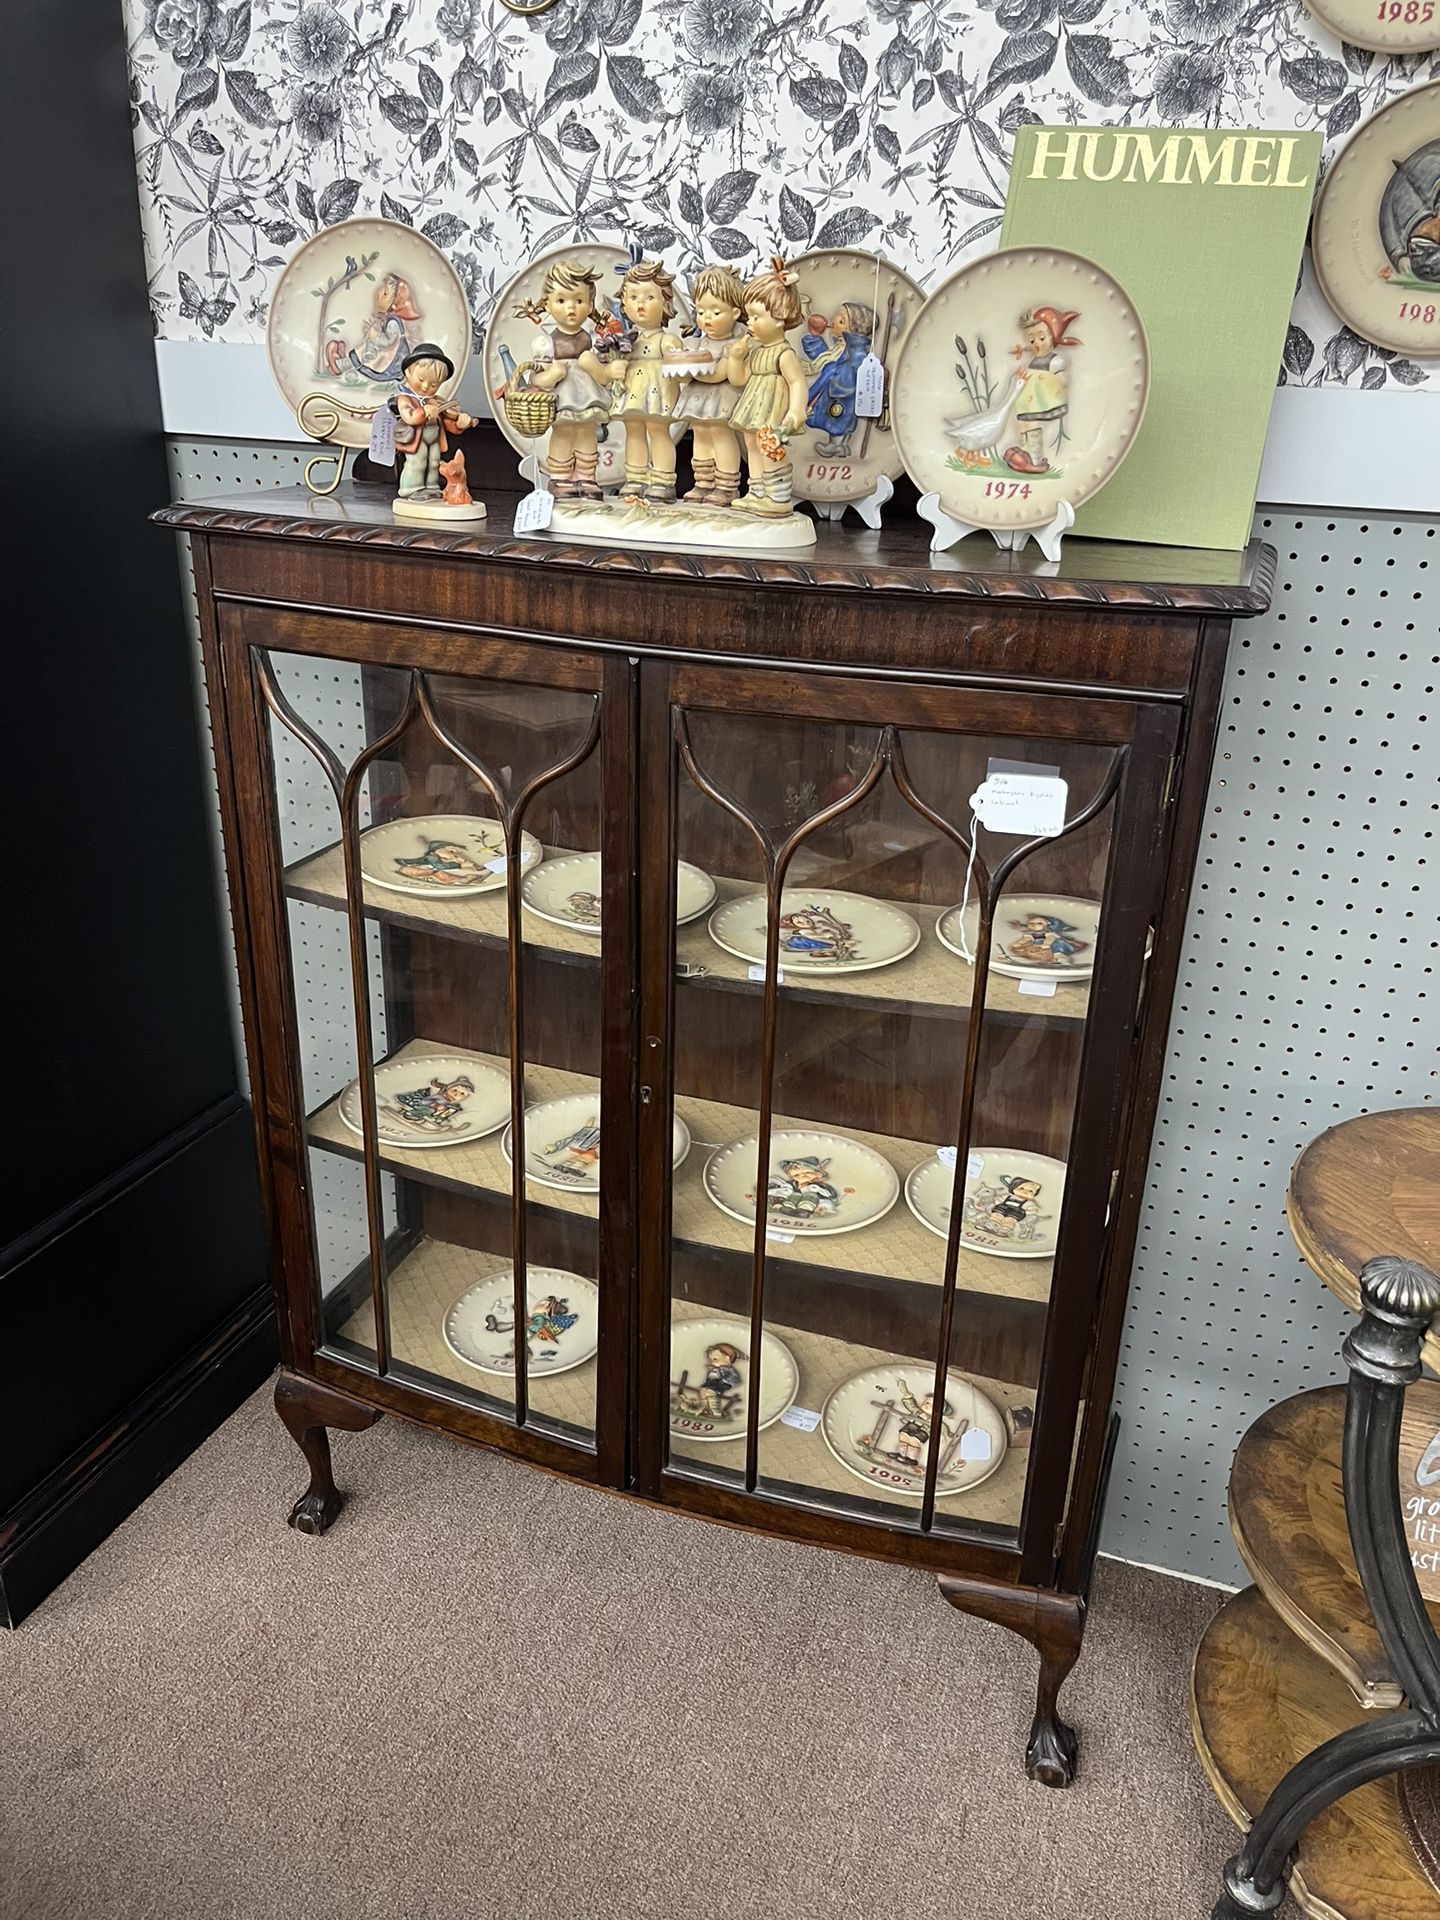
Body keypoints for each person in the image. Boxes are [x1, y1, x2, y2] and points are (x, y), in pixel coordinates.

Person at [513, 260, 613, 500]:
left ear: (590, 304)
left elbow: (605, 376)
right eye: (561, 301)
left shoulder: (593, 340)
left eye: (578, 301)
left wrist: (596, 366)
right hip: (562, 399)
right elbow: (536, 378)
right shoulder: (546, 343)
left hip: (588, 397)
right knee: (563, 434)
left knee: (587, 433)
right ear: (547, 304)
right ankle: (560, 478)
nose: (571, 308)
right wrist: (551, 375)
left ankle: (586, 478)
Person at [727, 257, 810, 517]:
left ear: (779, 317)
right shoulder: (757, 351)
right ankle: (757, 491)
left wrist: (796, 411)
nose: (749, 323)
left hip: (773, 409)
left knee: (770, 446)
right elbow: (740, 380)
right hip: (754, 406)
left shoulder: (784, 354)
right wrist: (735, 358)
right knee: (751, 444)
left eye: (755, 316)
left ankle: (779, 496)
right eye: (748, 316)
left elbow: (797, 382)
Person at [601, 255, 685, 502]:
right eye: (634, 297)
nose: (641, 304)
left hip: (657, 391)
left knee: (658, 431)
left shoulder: (665, 340)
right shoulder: (626, 339)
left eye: (649, 297)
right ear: (624, 303)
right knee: (633, 430)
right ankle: (635, 478)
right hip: (632, 391)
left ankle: (662, 480)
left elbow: (679, 367)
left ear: (665, 302)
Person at [667, 265, 747, 507]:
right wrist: (680, 368)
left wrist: (694, 371)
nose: (706, 318)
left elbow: (720, 373)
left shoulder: (735, 344)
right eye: (701, 311)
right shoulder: (695, 342)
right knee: (700, 434)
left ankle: (726, 485)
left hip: (722, 398)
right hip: (698, 400)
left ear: (734, 313)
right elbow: (680, 376)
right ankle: (702, 482)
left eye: (715, 311)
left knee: (721, 435)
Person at [389, 344, 475, 498]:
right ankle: (411, 488)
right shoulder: (404, 399)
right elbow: (409, 416)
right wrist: (423, 411)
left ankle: (431, 487)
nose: (425, 386)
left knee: (435, 462)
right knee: (418, 461)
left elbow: (447, 422)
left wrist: (459, 425)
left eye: (434, 384)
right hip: (417, 440)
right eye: (421, 379)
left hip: (434, 439)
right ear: (408, 372)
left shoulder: (436, 401)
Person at [1006, 306, 1080, 475]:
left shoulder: (1054, 360)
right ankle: (1026, 455)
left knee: (1032, 424)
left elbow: (1061, 378)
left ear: (1053, 337)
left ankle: (1035, 459)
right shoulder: (1033, 361)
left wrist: (1060, 381)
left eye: (1041, 337)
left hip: (1043, 400)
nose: (1036, 344)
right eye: (1032, 341)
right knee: (1023, 425)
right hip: (1028, 401)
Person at [802, 300, 879, 457]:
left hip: (843, 392)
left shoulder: (857, 351)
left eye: (842, 320)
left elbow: (853, 369)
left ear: (854, 330)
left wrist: (836, 373)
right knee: (834, 416)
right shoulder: (840, 347)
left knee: (839, 417)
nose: (834, 320)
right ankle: (839, 445)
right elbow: (824, 358)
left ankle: (837, 445)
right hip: (834, 388)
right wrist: (814, 339)